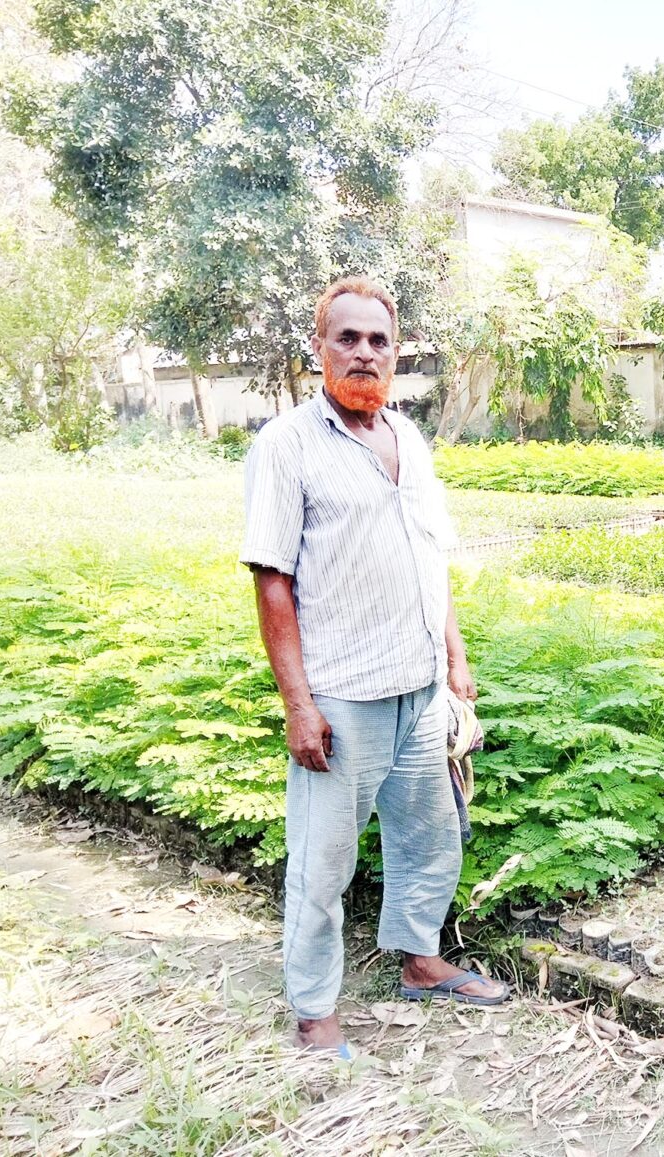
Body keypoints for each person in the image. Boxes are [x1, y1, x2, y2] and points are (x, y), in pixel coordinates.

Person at [240, 277, 508, 1058]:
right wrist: (298, 703)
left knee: (430, 837)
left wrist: (455, 662)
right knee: (323, 861)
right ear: (319, 348)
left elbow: (432, 557)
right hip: (345, 694)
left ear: (397, 354)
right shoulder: (287, 444)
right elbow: (272, 579)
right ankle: (315, 1010)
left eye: (378, 340)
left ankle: (421, 962)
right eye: (347, 338)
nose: (364, 352)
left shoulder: (410, 438)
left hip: (420, 688)